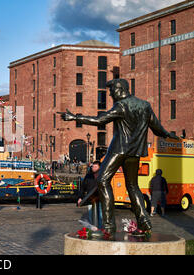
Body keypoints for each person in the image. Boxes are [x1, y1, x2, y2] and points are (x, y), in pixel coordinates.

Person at [59, 78, 178, 235]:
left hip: (119, 149)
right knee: (133, 186)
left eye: (112, 91)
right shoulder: (145, 106)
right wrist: (169, 134)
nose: (110, 94)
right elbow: (157, 128)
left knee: (102, 180)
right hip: (135, 152)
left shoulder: (121, 105)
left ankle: (109, 226)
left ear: (120, 89)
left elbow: (100, 120)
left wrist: (75, 117)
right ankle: (144, 222)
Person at [78, 161, 103, 228]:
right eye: (93, 166)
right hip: (90, 199)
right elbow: (83, 187)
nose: (93, 168)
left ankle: (100, 230)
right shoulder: (88, 176)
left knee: (101, 216)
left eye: (95, 167)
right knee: (91, 215)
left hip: (101, 199)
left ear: (100, 167)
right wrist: (80, 197)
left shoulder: (103, 176)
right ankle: (93, 229)